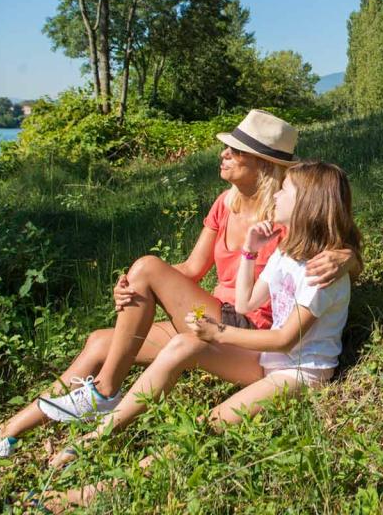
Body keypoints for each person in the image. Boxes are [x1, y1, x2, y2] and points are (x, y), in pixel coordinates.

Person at [0, 111, 359, 464]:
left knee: (145, 269)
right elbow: (193, 268)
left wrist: (347, 258)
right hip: (216, 309)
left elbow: (328, 247)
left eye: (235, 150)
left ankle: (104, 393)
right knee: (101, 341)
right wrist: (131, 288)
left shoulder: (285, 214)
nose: (223, 154)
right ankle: (5, 436)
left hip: (245, 329)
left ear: (263, 164)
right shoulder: (225, 203)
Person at [42, 161, 360, 508]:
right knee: (183, 343)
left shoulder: (321, 273)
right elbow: (245, 301)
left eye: (285, 191)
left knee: (205, 425)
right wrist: (250, 250)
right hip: (269, 360)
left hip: (299, 372)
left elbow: (284, 339)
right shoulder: (285, 253)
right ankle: (100, 434)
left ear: (306, 205)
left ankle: (97, 492)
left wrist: (219, 333)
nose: (277, 194)